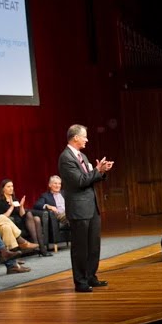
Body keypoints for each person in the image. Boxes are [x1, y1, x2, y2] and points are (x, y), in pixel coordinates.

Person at [59, 124, 114, 293]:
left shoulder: (82, 155)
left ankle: (91, 276)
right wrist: (96, 170)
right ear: (75, 137)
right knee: (80, 248)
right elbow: (80, 181)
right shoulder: (66, 157)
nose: (87, 139)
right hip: (79, 209)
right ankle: (80, 282)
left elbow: (90, 178)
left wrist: (101, 172)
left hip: (91, 207)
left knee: (93, 246)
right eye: (84, 136)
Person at [32, 175, 67, 251]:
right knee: (73, 214)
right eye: (55, 183)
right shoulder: (45, 196)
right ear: (50, 185)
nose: (58, 185)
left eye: (59, 184)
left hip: (68, 214)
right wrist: (48, 206)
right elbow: (36, 205)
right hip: (58, 215)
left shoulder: (64, 193)